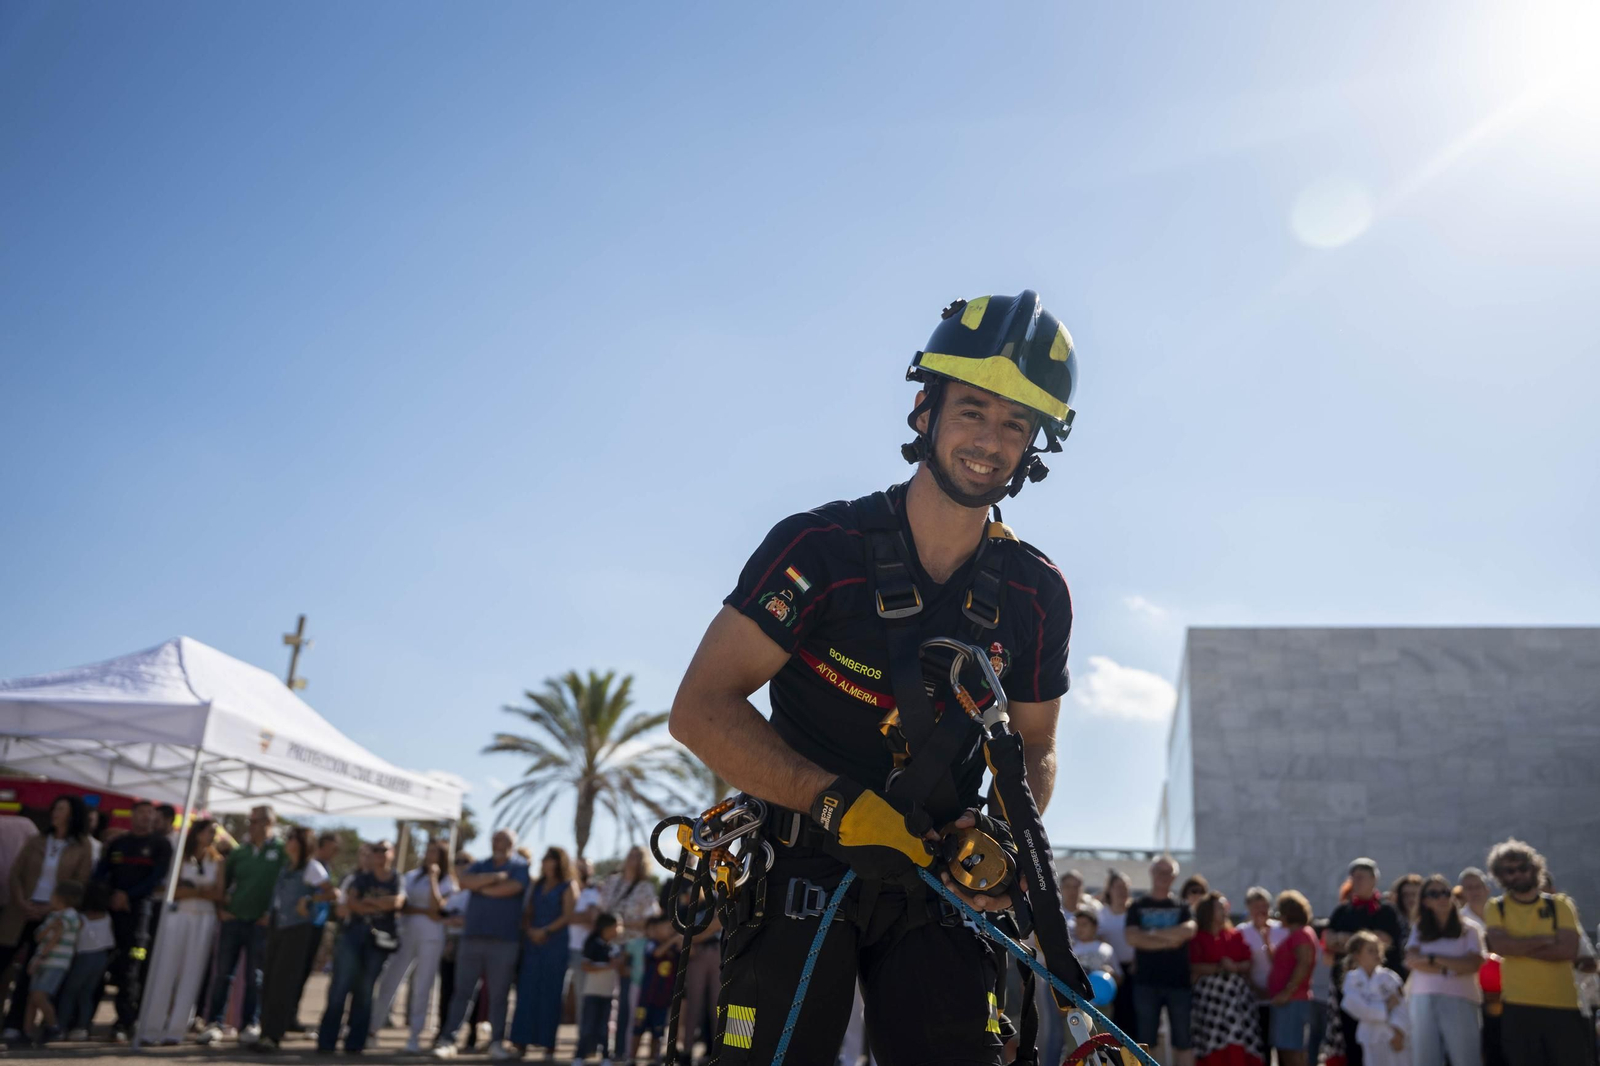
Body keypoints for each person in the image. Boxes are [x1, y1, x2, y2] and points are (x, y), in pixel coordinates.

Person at [668, 289, 1079, 1065]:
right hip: (799, 862)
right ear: (925, 411)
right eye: (972, 410)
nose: (990, 440)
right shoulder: (820, 550)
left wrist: (998, 838)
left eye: (1015, 424)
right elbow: (700, 709)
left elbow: (1036, 743)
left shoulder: (1036, 592)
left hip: (939, 883)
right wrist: (831, 799)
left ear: (1035, 447)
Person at [1482, 838, 1587, 1066]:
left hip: (1564, 1005)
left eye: (1522, 868)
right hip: (1518, 1006)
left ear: (1534, 868)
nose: (1517, 874)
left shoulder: (1560, 905)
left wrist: (1516, 947)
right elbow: (1500, 947)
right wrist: (1546, 940)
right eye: (1509, 870)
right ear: (1500, 875)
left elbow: (1568, 950)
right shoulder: (1496, 907)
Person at [0, 794, 93, 1042]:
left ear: (73, 814)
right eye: (55, 808)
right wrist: (22, 901)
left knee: (31, 974)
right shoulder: (37, 839)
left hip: (52, 916)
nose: (55, 813)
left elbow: (80, 883)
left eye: (61, 809)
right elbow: (16, 873)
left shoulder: (82, 846)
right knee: (3, 961)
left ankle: (16, 1025)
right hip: (20, 911)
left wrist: (52, 908)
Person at [433, 829, 532, 1060]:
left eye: (504, 840)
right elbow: (464, 881)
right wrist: (495, 878)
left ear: (513, 843)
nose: (498, 843)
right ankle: (449, 1040)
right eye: (495, 839)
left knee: (499, 995)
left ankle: (496, 1042)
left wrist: (481, 886)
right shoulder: (481, 864)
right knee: (462, 991)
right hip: (472, 938)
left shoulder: (520, 867)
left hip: (504, 941)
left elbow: (511, 888)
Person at [199, 804, 284, 1045]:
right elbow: (223, 883)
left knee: (255, 977)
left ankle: (250, 1024)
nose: (251, 825)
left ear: (269, 823)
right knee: (223, 974)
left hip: (260, 924)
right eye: (250, 821)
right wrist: (221, 909)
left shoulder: (281, 851)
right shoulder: (240, 852)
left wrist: (271, 913)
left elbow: (286, 885)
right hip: (233, 921)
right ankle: (214, 1023)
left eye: (255, 821)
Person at [93, 797, 174, 1042]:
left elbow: (156, 878)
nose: (147, 816)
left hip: (141, 917)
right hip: (110, 913)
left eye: (151, 813)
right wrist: (111, 895)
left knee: (134, 965)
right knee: (100, 963)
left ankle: (125, 1021)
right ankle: (82, 1019)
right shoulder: (118, 843)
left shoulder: (161, 845)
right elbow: (101, 873)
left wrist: (128, 895)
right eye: (142, 812)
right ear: (132, 815)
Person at [137, 818, 223, 1045]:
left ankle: (176, 1030)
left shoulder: (217, 861)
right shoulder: (180, 858)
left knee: (192, 973)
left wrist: (192, 890)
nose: (212, 836)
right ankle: (151, 1028)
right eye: (209, 831)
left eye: (214, 832)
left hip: (204, 918)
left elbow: (218, 893)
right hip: (178, 916)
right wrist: (199, 891)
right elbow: (170, 890)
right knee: (166, 969)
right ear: (198, 832)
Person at [318, 838, 403, 1054]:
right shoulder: (360, 878)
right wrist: (379, 904)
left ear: (392, 853)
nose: (379, 854)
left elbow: (396, 903)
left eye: (384, 850)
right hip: (353, 937)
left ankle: (355, 1043)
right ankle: (327, 1042)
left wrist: (367, 902)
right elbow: (351, 903)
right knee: (340, 988)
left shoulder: (397, 879)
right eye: (376, 850)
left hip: (379, 942)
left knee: (365, 992)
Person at [371, 838, 455, 1053]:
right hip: (407, 933)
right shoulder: (411, 877)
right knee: (390, 980)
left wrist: (433, 879)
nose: (429, 855)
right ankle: (372, 1029)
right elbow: (404, 906)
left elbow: (439, 908)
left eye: (434, 852)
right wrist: (425, 911)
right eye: (428, 851)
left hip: (432, 937)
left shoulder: (448, 881)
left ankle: (414, 1036)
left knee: (422, 986)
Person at [258, 827, 334, 1050]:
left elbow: (332, 893)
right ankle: (265, 1032)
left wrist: (309, 900)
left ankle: (273, 1035)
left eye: (293, 838)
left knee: (283, 981)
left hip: (297, 929)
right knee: (269, 979)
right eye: (288, 837)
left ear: (303, 843)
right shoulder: (287, 866)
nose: (288, 842)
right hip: (278, 926)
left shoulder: (312, 867)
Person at [1323, 858, 1404, 1066]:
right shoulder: (1342, 911)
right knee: (1351, 1040)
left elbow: (1384, 941)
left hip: (1380, 989)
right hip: (1347, 986)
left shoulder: (1386, 911)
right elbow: (1329, 940)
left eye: (1361, 877)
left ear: (1374, 879)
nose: (1356, 882)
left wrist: (1345, 939)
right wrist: (1358, 941)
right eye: (1354, 877)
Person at [1404, 872, 1484, 1066]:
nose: (1442, 897)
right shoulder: (1419, 928)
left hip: (1461, 998)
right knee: (1425, 1059)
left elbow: (1473, 964)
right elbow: (1412, 960)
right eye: (1434, 893)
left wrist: (1432, 958)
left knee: (1465, 1058)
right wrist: (1451, 968)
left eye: (1445, 892)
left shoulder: (1470, 929)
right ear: (1425, 901)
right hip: (1422, 998)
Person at [1127, 856, 1199, 1066]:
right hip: (1146, 982)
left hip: (1179, 984)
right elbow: (1132, 938)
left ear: (1175, 877)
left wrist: (1149, 934)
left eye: (1168, 872)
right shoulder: (1137, 906)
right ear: (1151, 873)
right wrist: (1170, 939)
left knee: (1183, 1040)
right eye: (1159, 871)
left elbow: (1189, 931)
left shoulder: (1182, 906)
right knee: (1145, 1041)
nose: (1163, 876)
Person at [510, 846, 578, 1059]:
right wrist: (530, 930)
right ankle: (521, 1042)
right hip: (533, 943)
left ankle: (548, 1044)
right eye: (545, 858)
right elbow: (528, 910)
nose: (546, 862)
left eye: (550, 859)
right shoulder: (538, 885)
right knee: (527, 991)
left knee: (551, 993)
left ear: (559, 862)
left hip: (555, 944)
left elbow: (568, 915)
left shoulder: (568, 885)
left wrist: (546, 931)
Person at [598, 846, 658, 1062]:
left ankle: (622, 1050)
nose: (633, 859)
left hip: (632, 948)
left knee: (625, 1001)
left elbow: (651, 921)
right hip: (608, 947)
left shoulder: (645, 888)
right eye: (631, 854)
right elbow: (601, 912)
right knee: (604, 999)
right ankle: (603, 1048)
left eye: (638, 856)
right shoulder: (612, 882)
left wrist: (623, 924)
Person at [1188, 892, 1262, 1066]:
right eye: (1220, 908)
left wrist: (1235, 967)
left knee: (1238, 1036)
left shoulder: (1233, 935)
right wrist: (1219, 967)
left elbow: (1247, 961)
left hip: (1237, 1001)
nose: (1224, 911)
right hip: (1211, 1001)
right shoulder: (1197, 938)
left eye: (1225, 907)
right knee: (1212, 1040)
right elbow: (1193, 965)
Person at [23, 879, 83, 1045]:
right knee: (32, 998)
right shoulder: (53, 915)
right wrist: (50, 926)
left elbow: (55, 939)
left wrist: (40, 957)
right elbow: (39, 936)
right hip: (42, 960)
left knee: (39, 995)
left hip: (55, 962)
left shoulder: (70, 915)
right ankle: (27, 1032)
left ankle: (53, 1027)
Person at [293, 831, 342, 1033]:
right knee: (296, 972)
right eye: (331, 849)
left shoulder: (324, 866)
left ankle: (291, 1013)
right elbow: (331, 892)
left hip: (317, 924)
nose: (333, 854)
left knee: (304, 971)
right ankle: (287, 1015)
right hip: (305, 924)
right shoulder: (313, 866)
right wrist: (314, 899)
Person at [56, 880, 113, 1040]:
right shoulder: (107, 917)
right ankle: (82, 1027)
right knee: (86, 993)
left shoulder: (81, 918)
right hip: (101, 958)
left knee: (70, 992)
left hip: (84, 957)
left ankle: (60, 1027)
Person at [1340, 931, 1408, 1066]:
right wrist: (1386, 1007)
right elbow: (1356, 1006)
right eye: (1370, 951)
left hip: (1393, 1035)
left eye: (1377, 950)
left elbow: (1402, 1004)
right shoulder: (1352, 979)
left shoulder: (1389, 977)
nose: (1376, 954)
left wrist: (1399, 1031)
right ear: (1357, 955)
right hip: (1369, 1036)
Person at [1265, 891, 1317, 1066]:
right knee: (1285, 1051)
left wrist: (1287, 992)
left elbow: (1304, 963)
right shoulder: (1295, 934)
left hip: (1293, 1001)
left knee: (1292, 1052)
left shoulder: (1301, 934)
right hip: (1287, 1001)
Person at [1237, 886, 1287, 1057]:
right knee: (1261, 1047)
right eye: (1257, 906)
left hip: (1280, 998)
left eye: (1265, 905)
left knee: (1283, 1049)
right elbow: (1241, 964)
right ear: (1249, 908)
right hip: (1254, 998)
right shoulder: (1241, 932)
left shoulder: (1282, 929)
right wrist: (1255, 988)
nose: (1262, 910)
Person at [573, 912, 625, 1064]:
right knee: (588, 1027)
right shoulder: (593, 944)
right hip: (592, 992)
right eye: (616, 926)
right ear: (606, 928)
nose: (619, 929)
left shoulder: (614, 947)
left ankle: (606, 1057)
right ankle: (579, 1056)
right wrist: (608, 966)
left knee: (606, 1028)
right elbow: (586, 966)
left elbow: (619, 968)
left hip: (609, 994)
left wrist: (619, 964)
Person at [634, 915, 679, 1065]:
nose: (670, 931)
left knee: (658, 1032)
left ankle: (654, 1060)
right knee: (638, 1028)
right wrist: (672, 940)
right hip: (646, 998)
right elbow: (656, 953)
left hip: (663, 999)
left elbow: (691, 954)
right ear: (657, 929)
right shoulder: (651, 944)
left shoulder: (674, 947)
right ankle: (632, 1059)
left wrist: (680, 941)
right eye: (667, 927)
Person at [1098, 868, 1138, 1032]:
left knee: (1132, 1016)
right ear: (1110, 889)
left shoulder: (1135, 912)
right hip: (1110, 971)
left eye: (1126, 887)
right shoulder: (1101, 914)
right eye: (1118, 887)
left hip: (1134, 969)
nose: (1123, 891)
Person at [1389, 874, 1422, 963]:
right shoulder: (1393, 922)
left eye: (1414, 894)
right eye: (1405, 895)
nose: (1411, 899)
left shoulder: (1430, 922)